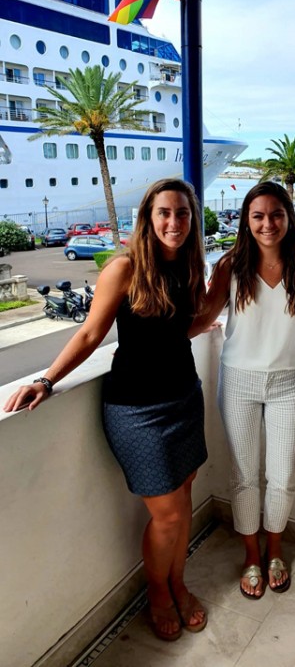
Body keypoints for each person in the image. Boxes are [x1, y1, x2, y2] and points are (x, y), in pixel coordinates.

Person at [4, 179, 209, 643]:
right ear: (148, 218)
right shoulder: (125, 268)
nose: (174, 222)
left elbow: (177, 329)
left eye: (182, 213)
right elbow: (90, 334)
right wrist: (46, 380)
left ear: (192, 220)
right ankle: (159, 591)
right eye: (164, 212)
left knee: (185, 494)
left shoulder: (189, 266)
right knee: (168, 514)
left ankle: (179, 582)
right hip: (136, 409)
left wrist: (206, 320)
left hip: (184, 395)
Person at [189, 181, 295, 599]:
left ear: (289, 218)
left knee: (282, 476)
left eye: (276, 214)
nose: (268, 223)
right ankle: (251, 555)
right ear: (246, 221)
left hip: (289, 383)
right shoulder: (230, 266)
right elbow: (205, 316)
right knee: (244, 476)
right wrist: (156, 339)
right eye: (259, 216)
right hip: (239, 382)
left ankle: (274, 550)